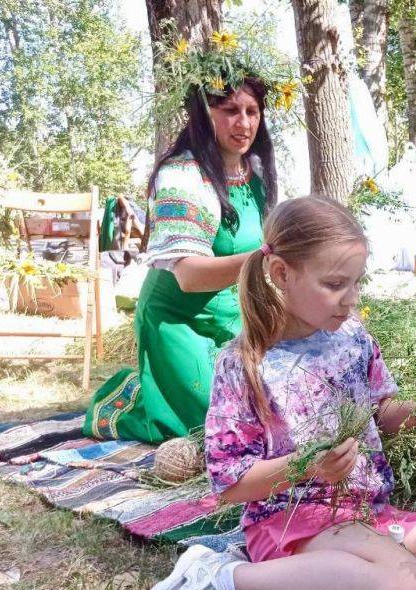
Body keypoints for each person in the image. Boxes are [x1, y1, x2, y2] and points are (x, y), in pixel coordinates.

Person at [135, 196, 416, 590]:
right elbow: (230, 485)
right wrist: (305, 467)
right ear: (282, 273)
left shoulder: (353, 338)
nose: (351, 299)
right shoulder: (244, 363)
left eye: (356, 282)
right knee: (399, 581)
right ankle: (221, 583)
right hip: (291, 521)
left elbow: (382, 413)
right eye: (334, 284)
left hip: (367, 513)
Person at [84, 47, 278, 443]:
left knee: (281, 409)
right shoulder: (181, 177)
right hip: (178, 320)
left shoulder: (256, 172)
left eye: (252, 112)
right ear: (204, 116)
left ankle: (159, 387)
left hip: (235, 322)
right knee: (222, 429)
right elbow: (189, 277)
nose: (243, 123)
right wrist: (268, 259)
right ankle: (134, 398)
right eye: (230, 111)